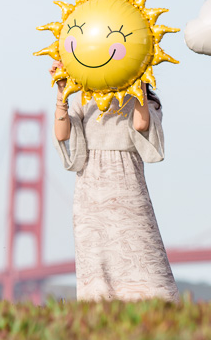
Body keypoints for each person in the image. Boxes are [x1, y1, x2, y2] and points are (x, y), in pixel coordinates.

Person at [51, 61, 178, 302]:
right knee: (98, 278)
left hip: (129, 194)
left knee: (147, 268)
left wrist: (139, 79)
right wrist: (62, 92)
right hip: (90, 197)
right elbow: (62, 134)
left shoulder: (146, 100)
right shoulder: (82, 97)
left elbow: (141, 124)